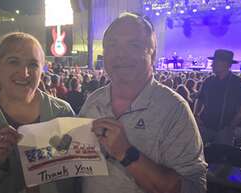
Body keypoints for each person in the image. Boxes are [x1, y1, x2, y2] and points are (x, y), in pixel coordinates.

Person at [79, 13, 206, 193]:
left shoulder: (174, 110)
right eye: (112, 45)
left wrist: (127, 154)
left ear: (152, 54)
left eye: (134, 45)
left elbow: (194, 188)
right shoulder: (93, 101)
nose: (121, 54)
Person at [0, 32, 76, 193]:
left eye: (33, 64)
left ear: (42, 69)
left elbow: (78, 178)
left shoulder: (63, 113)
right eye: (13, 62)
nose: (24, 73)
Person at [195, 49, 241, 145]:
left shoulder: (239, 84)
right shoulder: (208, 81)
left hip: (224, 130)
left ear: (226, 64)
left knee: (221, 156)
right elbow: (200, 99)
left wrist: (231, 126)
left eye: (215, 62)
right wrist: (195, 115)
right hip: (204, 127)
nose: (212, 65)